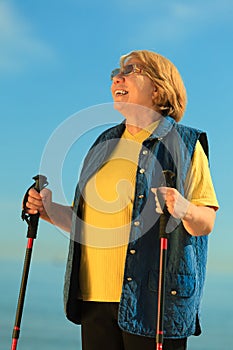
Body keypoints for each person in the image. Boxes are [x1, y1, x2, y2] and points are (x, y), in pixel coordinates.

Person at [26, 50, 219, 350]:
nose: (118, 77)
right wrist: (47, 210)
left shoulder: (185, 143)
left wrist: (183, 208)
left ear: (158, 87)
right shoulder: (103, 144)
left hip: (152, 304)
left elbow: (205, 222)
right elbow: (86, 224)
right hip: (94, 297)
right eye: (116, 73)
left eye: (131, 70)